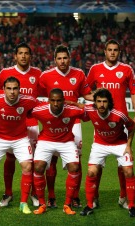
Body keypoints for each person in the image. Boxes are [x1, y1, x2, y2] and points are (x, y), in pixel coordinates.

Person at [86, 39, 135, 209]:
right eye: (109, 50)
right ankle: (94, 197)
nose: (112, 52)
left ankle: (123, 196)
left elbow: (134, 91)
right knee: (98, 163)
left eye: (115, 50)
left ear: (119, 52)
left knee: (123, 164)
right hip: (102, 122)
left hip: (121, 121)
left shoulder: (126, 69)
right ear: (104, 51)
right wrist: (97, 102)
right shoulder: (95, 69)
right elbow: (86, 92)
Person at [39, 44, 93, 208]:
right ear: (55, 60)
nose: (62, 61)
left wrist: (101, 96)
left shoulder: (79, 74)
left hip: (73, 123)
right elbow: (39, 96)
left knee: (76, 160)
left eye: (65, 58)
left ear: (70, 58)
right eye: (59, 58)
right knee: (52, 160)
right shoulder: (45, 76)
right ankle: (52, 196)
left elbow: (87, 94)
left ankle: (75, 196)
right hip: (53, 121)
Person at [77, 88, 135, 217]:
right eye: (99, 101)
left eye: (105, 101)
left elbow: (131, 128)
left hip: (120, 144)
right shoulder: (90, 110)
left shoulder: (119, 114)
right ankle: (89, 205)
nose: (102, 104)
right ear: (95, 102)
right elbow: (77, 105)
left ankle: (132, 206)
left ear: (109, 102)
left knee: (128, 171)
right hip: (100, 144)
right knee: (91, 171)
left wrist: (128, 146)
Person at [0, 76, 38, 214]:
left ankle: (23, 203)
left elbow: (41, 107)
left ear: (19, 90)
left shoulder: (28, 101)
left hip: (20, 139)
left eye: (15, 89)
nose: (12, 92)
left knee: (27, 166)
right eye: (9, 88)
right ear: (3, 90)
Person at [0, 42, 42, 207]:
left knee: (30, 161)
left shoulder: (38, 73)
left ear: (30, 56)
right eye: (20, 53)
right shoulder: (5, 73)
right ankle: (8, 193)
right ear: (15, 56)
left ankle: (33, 193)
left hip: (31, 123)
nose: (23, 56)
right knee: (9, 158)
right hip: (10, 124)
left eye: (26, 53)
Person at [30, 88, 86, 215]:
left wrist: (76, 104)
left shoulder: (72, 110)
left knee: (75, 167)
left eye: (59, 101)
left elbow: (88, 112)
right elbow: (26, 113)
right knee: (38, 167)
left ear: (64, 101)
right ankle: (42, 204)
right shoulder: (40, 110)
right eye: (53, 101)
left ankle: (67, 204)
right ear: (48, 100)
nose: (56, 104)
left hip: (66, 141)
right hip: (46, 141)